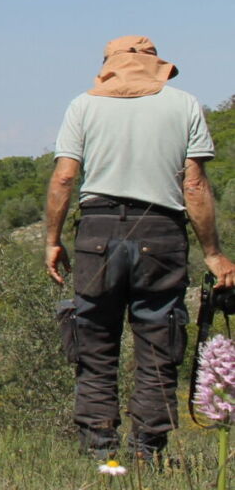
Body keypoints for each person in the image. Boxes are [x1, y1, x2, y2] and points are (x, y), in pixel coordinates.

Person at [45, 36, 235, 460]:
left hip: (97, 233)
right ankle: (147, 456)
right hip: (162, 232)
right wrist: (213, 252)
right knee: (158, 347)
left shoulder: (83, 106)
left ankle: (101, 456)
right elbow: (195, 185)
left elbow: (63, 178)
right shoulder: (184, 105)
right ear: (156, 66)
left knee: (94, 347)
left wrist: (53, 241)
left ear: (109, 65)